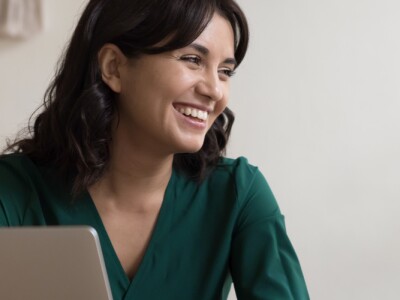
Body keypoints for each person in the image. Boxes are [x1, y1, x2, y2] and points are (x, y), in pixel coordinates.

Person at [0, 0, 309, 299]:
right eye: (192, 59)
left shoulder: (238, 195)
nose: (214, 89)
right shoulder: (12, 191)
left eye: (225, 71)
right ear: (114, 68)